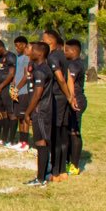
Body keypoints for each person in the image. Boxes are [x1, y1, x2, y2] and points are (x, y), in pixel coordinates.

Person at [42, 30, 76, 180]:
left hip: (57, 97)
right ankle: (62, 170)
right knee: (63, 133)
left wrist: (69, 96)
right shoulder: (63, 55)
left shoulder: (53, 57)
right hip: (63, 97)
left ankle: (55, 172)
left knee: (56, 134)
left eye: (44, 40)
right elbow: (69, 77)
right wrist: (71, 96)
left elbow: (61, 79)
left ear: (51, 41)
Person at [22, 41, 57, 186]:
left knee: (41, 142)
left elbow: (37, 94)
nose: (29, 50)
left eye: (32, 49)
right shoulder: (40, 68)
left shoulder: (41, 71)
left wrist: (27, 113)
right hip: (41, 110)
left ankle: (41, 178)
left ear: (40, 53)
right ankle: (42, 175)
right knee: (41, 142)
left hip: (40, 111)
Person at [64, 39, 88, 174]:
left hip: (76, 101)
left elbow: (70, 83)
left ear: (73, 51)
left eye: (66, 50)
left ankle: (75, 165)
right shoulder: (72, 63)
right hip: (72, 100)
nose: (64, 52)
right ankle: (67, 160)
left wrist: (72, 99)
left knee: (74, 132)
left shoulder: (74, 65)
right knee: (68, 132)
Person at [0, 40, 18, 149]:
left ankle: (11, 140)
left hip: (7, 88)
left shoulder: (11, 56)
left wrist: (2, 86)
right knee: (3, 113)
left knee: (11, 113)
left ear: (1, 47)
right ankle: (3, 138)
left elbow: (11, 73)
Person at [11, 36, 32, 150]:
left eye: (18, 45)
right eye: (15, 45)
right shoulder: (18, 58)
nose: (16, 47)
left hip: (24, 92)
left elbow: (26, 76)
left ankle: (26, 142)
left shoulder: (27, 58)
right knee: (19, 117)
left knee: (24, 118)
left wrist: (17, 88)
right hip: (17, 91)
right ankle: (21, 140)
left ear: (24, 45)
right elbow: (16, 74)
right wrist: (13, 85)